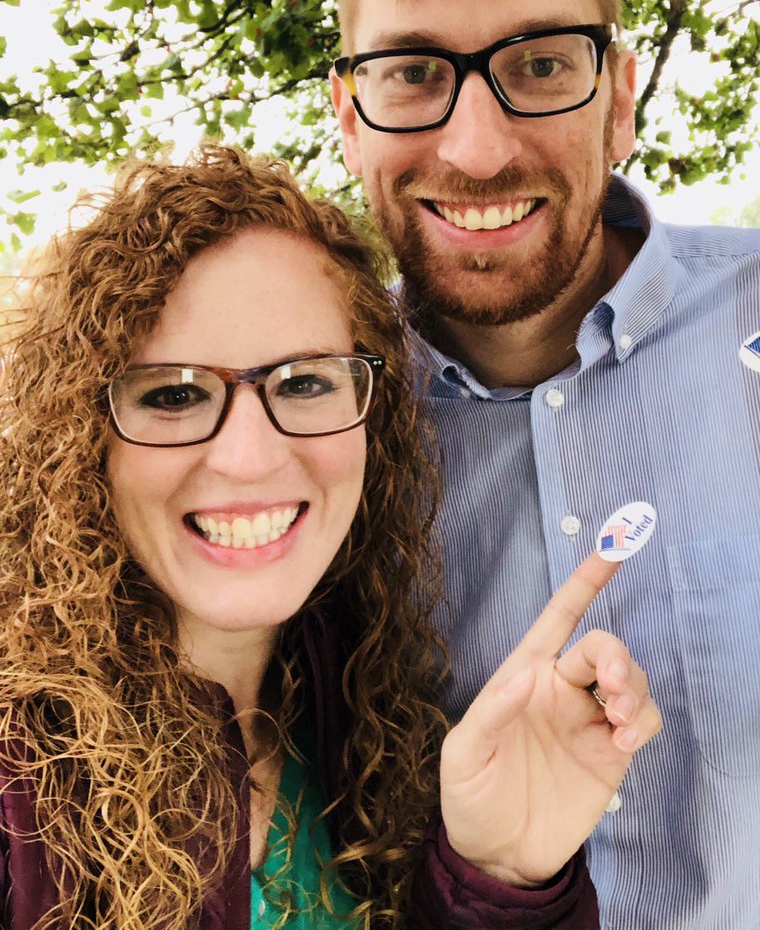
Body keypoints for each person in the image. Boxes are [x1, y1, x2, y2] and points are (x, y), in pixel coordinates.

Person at [329, 0, 760, 928]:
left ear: (619, 94)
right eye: (411, 74)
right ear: (349, 114)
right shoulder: (313, 431)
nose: (479, 148)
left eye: (540, 64)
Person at [0, 143, 659, 930]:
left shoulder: (368, 708)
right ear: (76, 436)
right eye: (173, 393)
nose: (249, 459)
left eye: (306, 381)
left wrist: (496, 884)